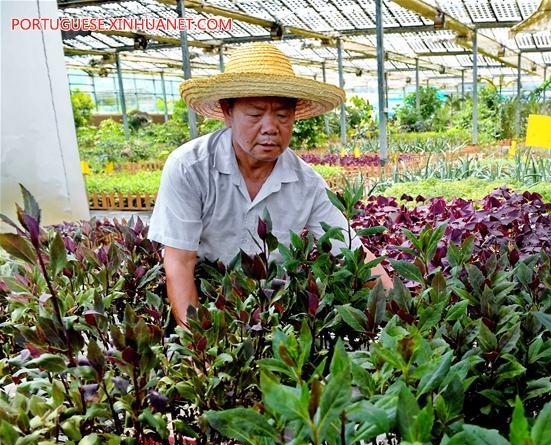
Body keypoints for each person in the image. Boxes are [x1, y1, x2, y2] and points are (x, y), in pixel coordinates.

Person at [148, 43, 391, 327]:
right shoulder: (190, 167)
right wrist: (197, 348)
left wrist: (403, 312)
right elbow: (180, 261)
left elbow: (352, 254)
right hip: (203, 296)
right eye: (255, 114)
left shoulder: (307, 184)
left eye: (282, 115)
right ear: (228, 112)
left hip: (270, 307)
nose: (270, 127)